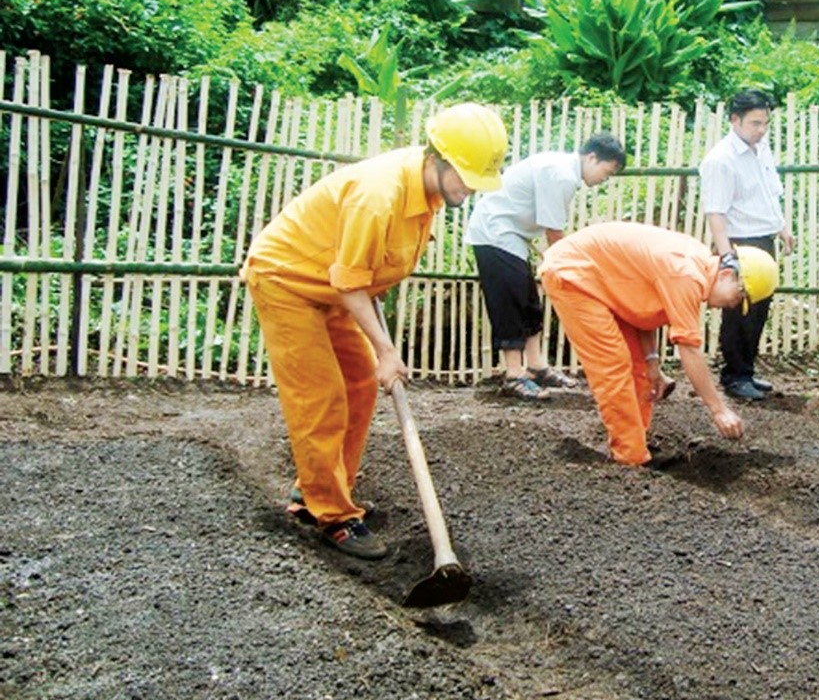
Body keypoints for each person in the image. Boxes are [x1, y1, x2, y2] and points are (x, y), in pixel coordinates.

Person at [241, 103, 508, 560]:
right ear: (437, 159)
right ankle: (333, 516)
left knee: (360, 385)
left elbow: (365, 268)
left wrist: (377, 286)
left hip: (334, 286)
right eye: (464, 177)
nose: (469, 189)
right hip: (289, 281)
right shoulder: (379, 194)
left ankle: (319, 490)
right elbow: (348, 280)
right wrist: (386, 350)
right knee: (321, 396)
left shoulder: (428, 192)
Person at [537, 221, 779, 466]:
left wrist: (652, 362)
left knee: (641, 368)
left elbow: (642, 309)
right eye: (740, 296)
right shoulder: (686, 275)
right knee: (613, 366)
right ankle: (631, 458)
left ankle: (635, 440)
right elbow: (690, 349)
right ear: (727, 274)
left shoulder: (694, 264)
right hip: (573, 274)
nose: (734, 305)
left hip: (599, 279)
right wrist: (719, 410)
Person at [466, 133, 626, 401]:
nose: (603, 180)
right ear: (591, 157)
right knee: (511, 302)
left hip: (513, 235)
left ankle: (537, 366)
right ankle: (514, 376)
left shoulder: (565, 171)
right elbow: (554, 232)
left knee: (529, 302)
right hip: (495, 232)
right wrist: (565, 270)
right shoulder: (561, 174)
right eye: (606, 172)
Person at [698, 88, 794, 402]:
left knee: (759, 309)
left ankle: (746, 371)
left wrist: (781, 228)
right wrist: (727, 256)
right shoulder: (720, 160)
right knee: (739, 312)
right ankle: (734, 376)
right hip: (740, 243)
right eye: (755, 123)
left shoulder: (761, 148)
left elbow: (767, 192)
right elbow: (716, 212)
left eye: (765, 122)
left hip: (764, 239)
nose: (761, 129)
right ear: (734, 120)